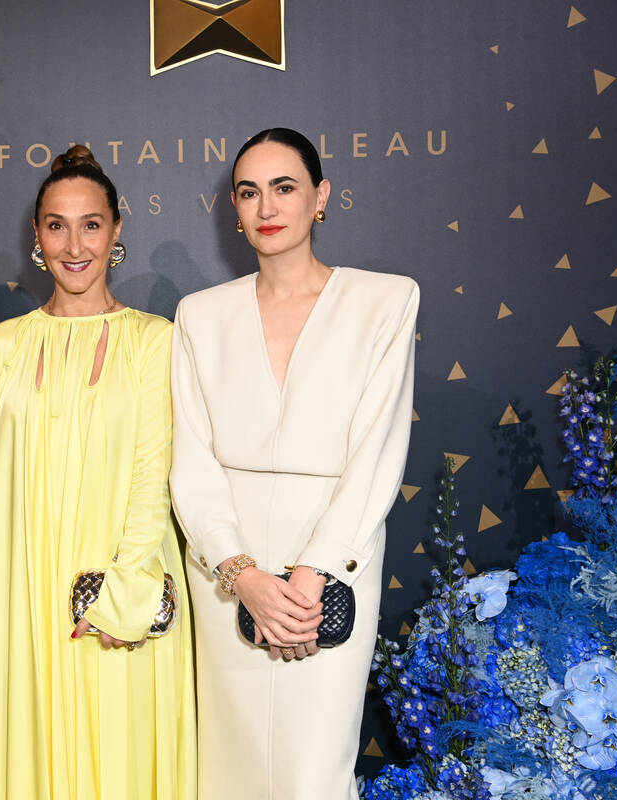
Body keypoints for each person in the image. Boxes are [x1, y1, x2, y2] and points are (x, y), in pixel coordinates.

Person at [169, 128, 418, 800]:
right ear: (235, 207)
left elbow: (379, 450)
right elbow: (191, 463)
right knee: (228, 769)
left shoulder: (385, 301)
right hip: (229, 570)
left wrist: (311, 576)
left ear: (320, 198)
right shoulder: (199, 315)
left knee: (313, 773)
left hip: (335, 560)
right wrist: (242, 574)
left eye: (285, 187)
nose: (267, 206)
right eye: (249, 192)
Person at [0, 145, 196, 800]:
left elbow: (155, 470)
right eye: (56, 225)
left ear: (116, 230)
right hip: (23, 596)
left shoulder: (155, 338)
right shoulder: (3, 344)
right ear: (36, 236)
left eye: (91, 223)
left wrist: (119, 594)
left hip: (122, 591)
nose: (74, 243)